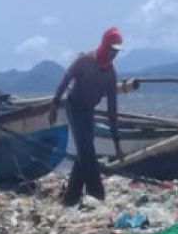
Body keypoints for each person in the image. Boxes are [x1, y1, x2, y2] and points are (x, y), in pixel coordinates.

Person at [50, 26, 124, 206]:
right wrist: (54, 104)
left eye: (116, 52)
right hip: (74, 105)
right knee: (86, 149)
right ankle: (96, 192)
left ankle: (71, 198)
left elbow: (111, 110)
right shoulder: (85, 60)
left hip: (88, 109)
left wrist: (117, 144)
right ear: (104, 46)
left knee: (86, 150)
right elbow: (66, 79)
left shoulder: (110, 75)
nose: (113, 55)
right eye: (111, 50)